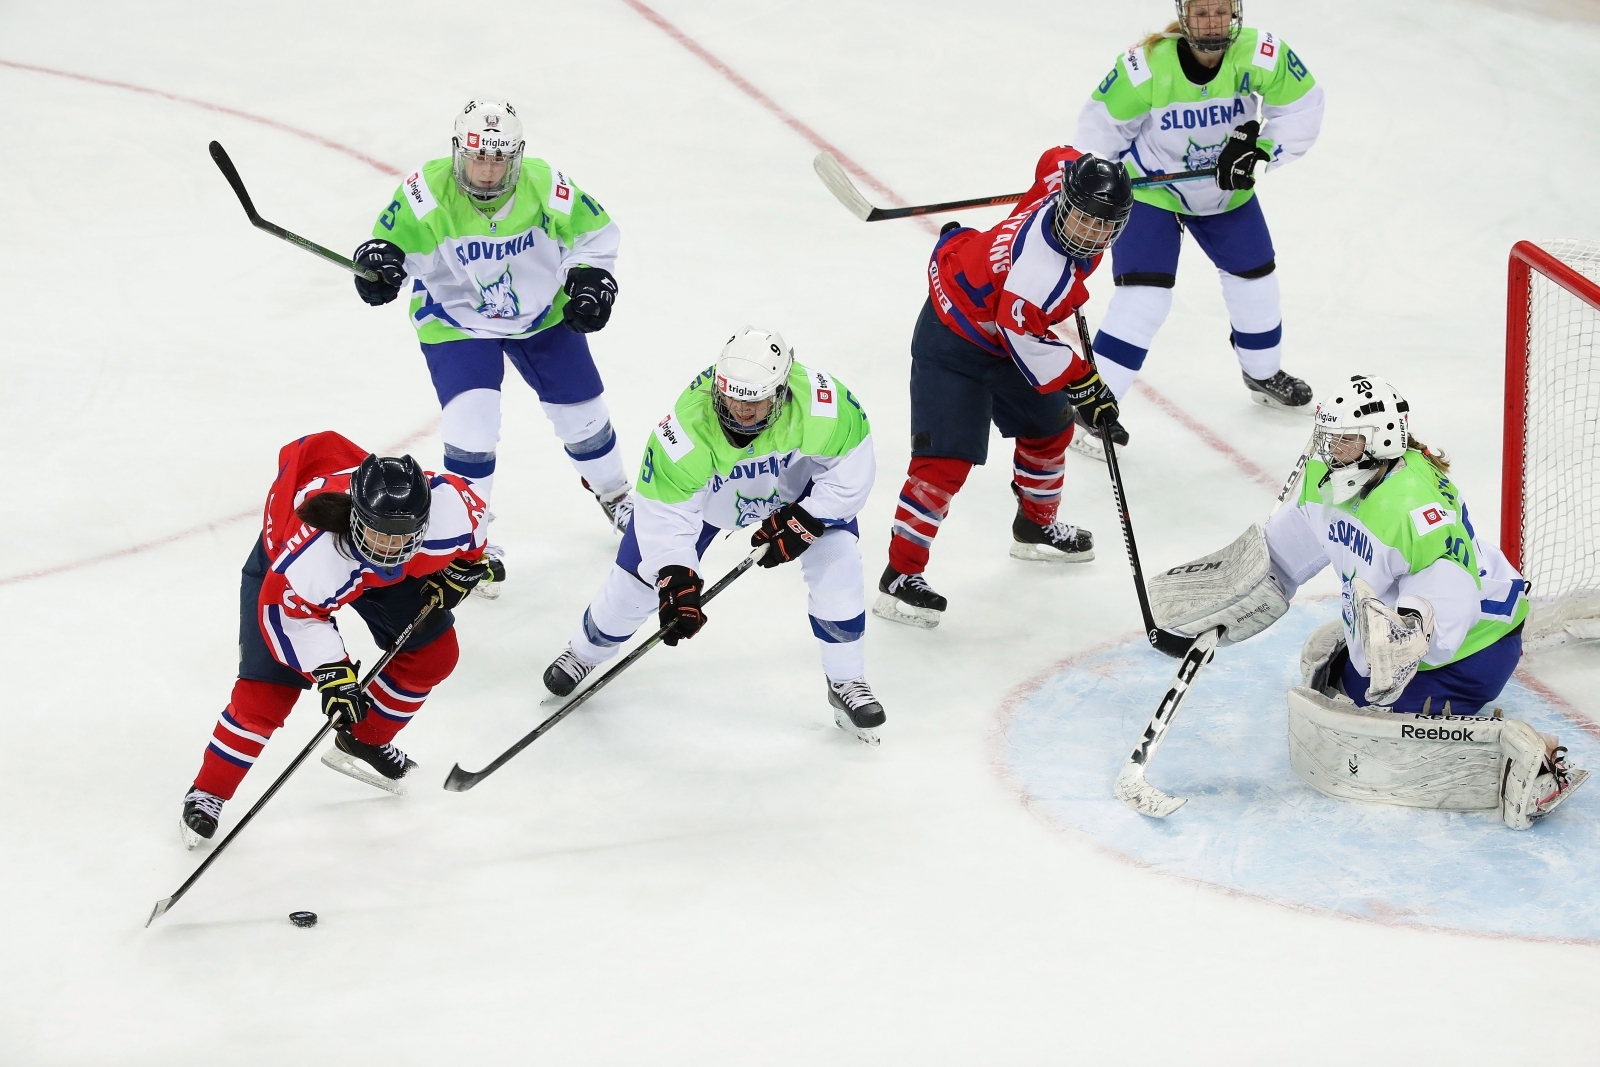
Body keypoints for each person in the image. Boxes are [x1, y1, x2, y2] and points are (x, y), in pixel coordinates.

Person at [1149, 375, 1583, 826]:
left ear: (1382, 440)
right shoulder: (1327, 477)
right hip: (1415, 627)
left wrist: (1408, 635)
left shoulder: (1414, 505)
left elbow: (1452, 593)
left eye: (1344, 441)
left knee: (1373, 734)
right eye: (1327, 438)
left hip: (1475, 646)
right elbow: (1285, 555)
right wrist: (1227, 603)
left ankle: (1530, 755)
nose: (1330, 451)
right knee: (1353, 688)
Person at [539, 328, 885, 744]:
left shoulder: (823, 407)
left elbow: (851, 472)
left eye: (754, 400)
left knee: (839, 563)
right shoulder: (686, 428)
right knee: (633, 589)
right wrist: (675, 577)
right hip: (710, 502)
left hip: (799, 494)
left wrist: (810, 518)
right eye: (732, 396)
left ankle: (847, 681)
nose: (740, 409)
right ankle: (584, 651)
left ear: (780, 391)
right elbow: (664, 513)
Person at [178, 432, 494, 847]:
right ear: (359, 517)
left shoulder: (450, 512)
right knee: (267, 694)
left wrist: (463, 570)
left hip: (374, 570)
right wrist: (333, 674)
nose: (390, 547)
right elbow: (292, 618)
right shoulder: (310, 555)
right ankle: (209, 791)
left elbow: (473, 539)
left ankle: (363, 739)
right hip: (290, 582)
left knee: (433, 654)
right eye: (381, 534)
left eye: (402, 535)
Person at [351, 100, 633, 562]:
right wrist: (379, 266)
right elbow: (389, 246)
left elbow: (594, 236)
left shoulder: (547, 186)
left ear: (515, 156)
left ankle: (617, 496)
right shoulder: (426, 192)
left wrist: (590, 279)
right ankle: (469, 536)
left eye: (499, 159)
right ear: (460, 151)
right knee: (472, 431)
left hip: (542, 314)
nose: (486, 171)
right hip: (457, 320)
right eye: (478, 157)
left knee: (585, 417)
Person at [874, 148, 1130, 630]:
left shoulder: (1061, 185)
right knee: (943, 465)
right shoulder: (1037, 276)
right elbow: (1026, 339)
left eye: (1103, 225)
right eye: (1083, 220)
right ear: (1065, 205)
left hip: (1003, 323)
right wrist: (1085, 385)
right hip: (955, 337)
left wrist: (1097, 165)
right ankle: (900, 575)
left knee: (1049, 428)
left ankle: (1035, 524)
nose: (1090, 234)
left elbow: (1055, 157)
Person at [1073, 0, 1325, 440]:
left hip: (1226, 190)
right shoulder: (1146, 65)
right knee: (1144, 299)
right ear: (1185, 16)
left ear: (1236, 13)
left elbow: (1304, 107)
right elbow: (1100, 128)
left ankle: (1263, 375)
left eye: (1221, 11)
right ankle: (1092, 410)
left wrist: (1260, 148)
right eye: (1203, 13)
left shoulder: (1262, 53)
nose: (1213, 22)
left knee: (1257, 282)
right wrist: (1092, 181)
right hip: (1152, 189)